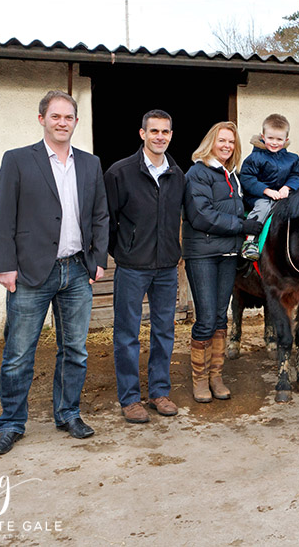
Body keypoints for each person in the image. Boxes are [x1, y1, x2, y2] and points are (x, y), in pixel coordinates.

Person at [0, 90, 109, 455]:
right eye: (55, 116)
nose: (62, 122)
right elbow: (3, 216)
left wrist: (98, 259)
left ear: (75, 121)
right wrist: (5, 265)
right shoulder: (18, 160)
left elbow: (100, 215)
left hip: (76, 270)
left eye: (68, 117)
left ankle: (68, 413)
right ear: (42, 119)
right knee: (19, 353)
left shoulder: (90, 164)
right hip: (29, 273)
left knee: (75, 349)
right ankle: (11, 424)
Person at [103, 109, 185, 424]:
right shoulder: (120, 173)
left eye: (165, 132)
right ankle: (130, 398)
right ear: (142, 134)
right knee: (127, 333)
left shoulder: (177, 174)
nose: (160, 137)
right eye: (154, 131)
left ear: (171, 135)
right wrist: (122, 250)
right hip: (132, 267)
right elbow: (107, 220)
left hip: (166, 267)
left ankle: (159, 393)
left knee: (164, 330)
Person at [183, 122, 255, 404]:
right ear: (211, 141)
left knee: (219, 316)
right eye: (222, 140)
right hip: (203, 253)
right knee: (205, 316)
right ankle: (200, 380)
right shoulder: (198, 172)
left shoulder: (230, 175)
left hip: (227, 254)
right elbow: (202, 215)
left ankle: (216, 376)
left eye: (231, 142)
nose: (227, 146)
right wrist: (242, 225)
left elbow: (232, 208)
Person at [238, 113, 299, 260]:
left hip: (282, 197)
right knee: (262, 208)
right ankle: (250, 242)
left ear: (286, 140)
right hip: (259, 197)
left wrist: (287, 188)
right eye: (270, 138)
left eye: (279, 139)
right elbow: (247, 178)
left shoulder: (292, 159)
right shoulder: (255, 158)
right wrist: (266, 190)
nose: (274, 142)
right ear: (263, 136)